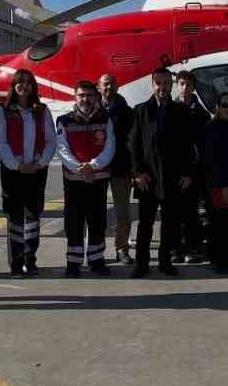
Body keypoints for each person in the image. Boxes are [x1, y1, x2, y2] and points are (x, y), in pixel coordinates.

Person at [129, 67, 197, 277]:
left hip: (172, 176)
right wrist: (138, 173)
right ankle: (142, 263)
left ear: (172, 85)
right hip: (148, 178)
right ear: (152, 84)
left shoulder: (181, 111)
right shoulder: (140, 110)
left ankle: (165, 261)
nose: (163, 87)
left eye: (167, 83)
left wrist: (187, 173)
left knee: (171, 223)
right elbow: (133, 144)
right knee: (146, 223)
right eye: (159, 83)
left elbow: (187, 145)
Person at [0, 69, 57, 275]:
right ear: (13, 86)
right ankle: (15, 261)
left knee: (33, 216)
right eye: (19, 82)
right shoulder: (5, 112)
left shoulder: (42, 110)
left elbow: (50, 140)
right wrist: (16, 165)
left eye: (28, 82)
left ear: (33, 86)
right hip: (14, 171)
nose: (24, 86)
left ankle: (30, 259)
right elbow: (1, 142)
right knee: (15, 217)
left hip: (37, 171)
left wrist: (41, 163)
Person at [56, 79, 116, 275]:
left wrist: (93, 165)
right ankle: (73, 264)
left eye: (89, 95)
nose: (86, 99)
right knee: (73, 222)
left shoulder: (106, 119)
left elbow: (110, 146)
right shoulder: (64, 121)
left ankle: (96, 261)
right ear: (75, 96)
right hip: (74, 181)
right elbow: (62, 150)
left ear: (96, 97)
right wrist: (80, 169)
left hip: (98, 180)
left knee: (97, 221)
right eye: (81, 95)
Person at [200, 92, 228, 271]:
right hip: (219, 185)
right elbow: (211, 161)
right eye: (225, 105)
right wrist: (222, 186)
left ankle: (224, 260)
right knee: (219, 225)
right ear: (217, 108)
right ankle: (219, 262)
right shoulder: (211, 128)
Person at [173, 69, 211, 262]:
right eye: (181, 84)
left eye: (188, 84)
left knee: (191, 212)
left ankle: (192, 248)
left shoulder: (201, 114)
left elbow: (204, 144)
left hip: (195, 170)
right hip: (175, 170)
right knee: (174, 212)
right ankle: (175, 249)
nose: (185, 87)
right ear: (176, 85)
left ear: (193, 87)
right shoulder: (170, 110)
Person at [98, 72, 134, 263]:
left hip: (120, 169)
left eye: (112, 84)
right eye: (105, 84)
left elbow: (133, 142)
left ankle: (122, 249)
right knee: (97, 213)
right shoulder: (92, 111)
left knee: (123, 213)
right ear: (99, 88)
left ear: (118, 86)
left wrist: (134, 169)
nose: (108, 87)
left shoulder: (127, 112)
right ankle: (97, 250)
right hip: (98, 169)